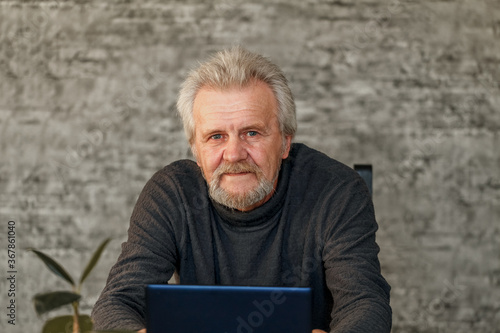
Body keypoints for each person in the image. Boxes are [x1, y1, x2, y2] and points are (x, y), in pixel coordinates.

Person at [91, 46, 392, 333]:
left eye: (252, 132)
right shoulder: (172, 194)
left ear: (285, 141)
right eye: (216, 136)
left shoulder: (336, 191)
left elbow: (364, 301)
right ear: (195, 149)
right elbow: (117, 301)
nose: (234, 154)